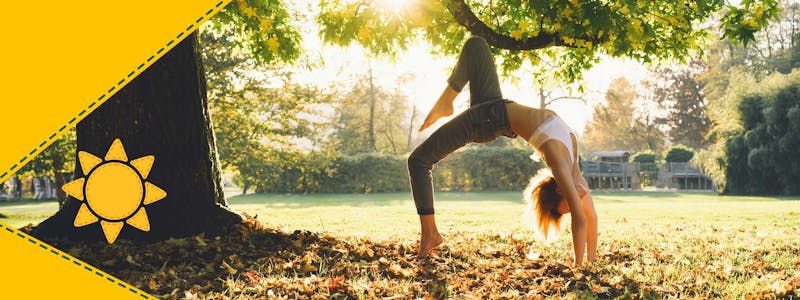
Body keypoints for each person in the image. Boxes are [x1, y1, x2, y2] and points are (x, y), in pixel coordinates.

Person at [407, 36, 598, 266]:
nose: (574, 206)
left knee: (418, 161)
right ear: (561, 190)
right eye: (569, 206)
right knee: (476, 45)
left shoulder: (557, 160)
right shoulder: (571, 164)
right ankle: (446, 101)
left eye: (568, 206)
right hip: (495, 106)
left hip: (487, 120)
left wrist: (582, 266)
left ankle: (430, 233)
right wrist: (586, 264)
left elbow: (584, 218)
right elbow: (586, 218)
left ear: (560, 187)